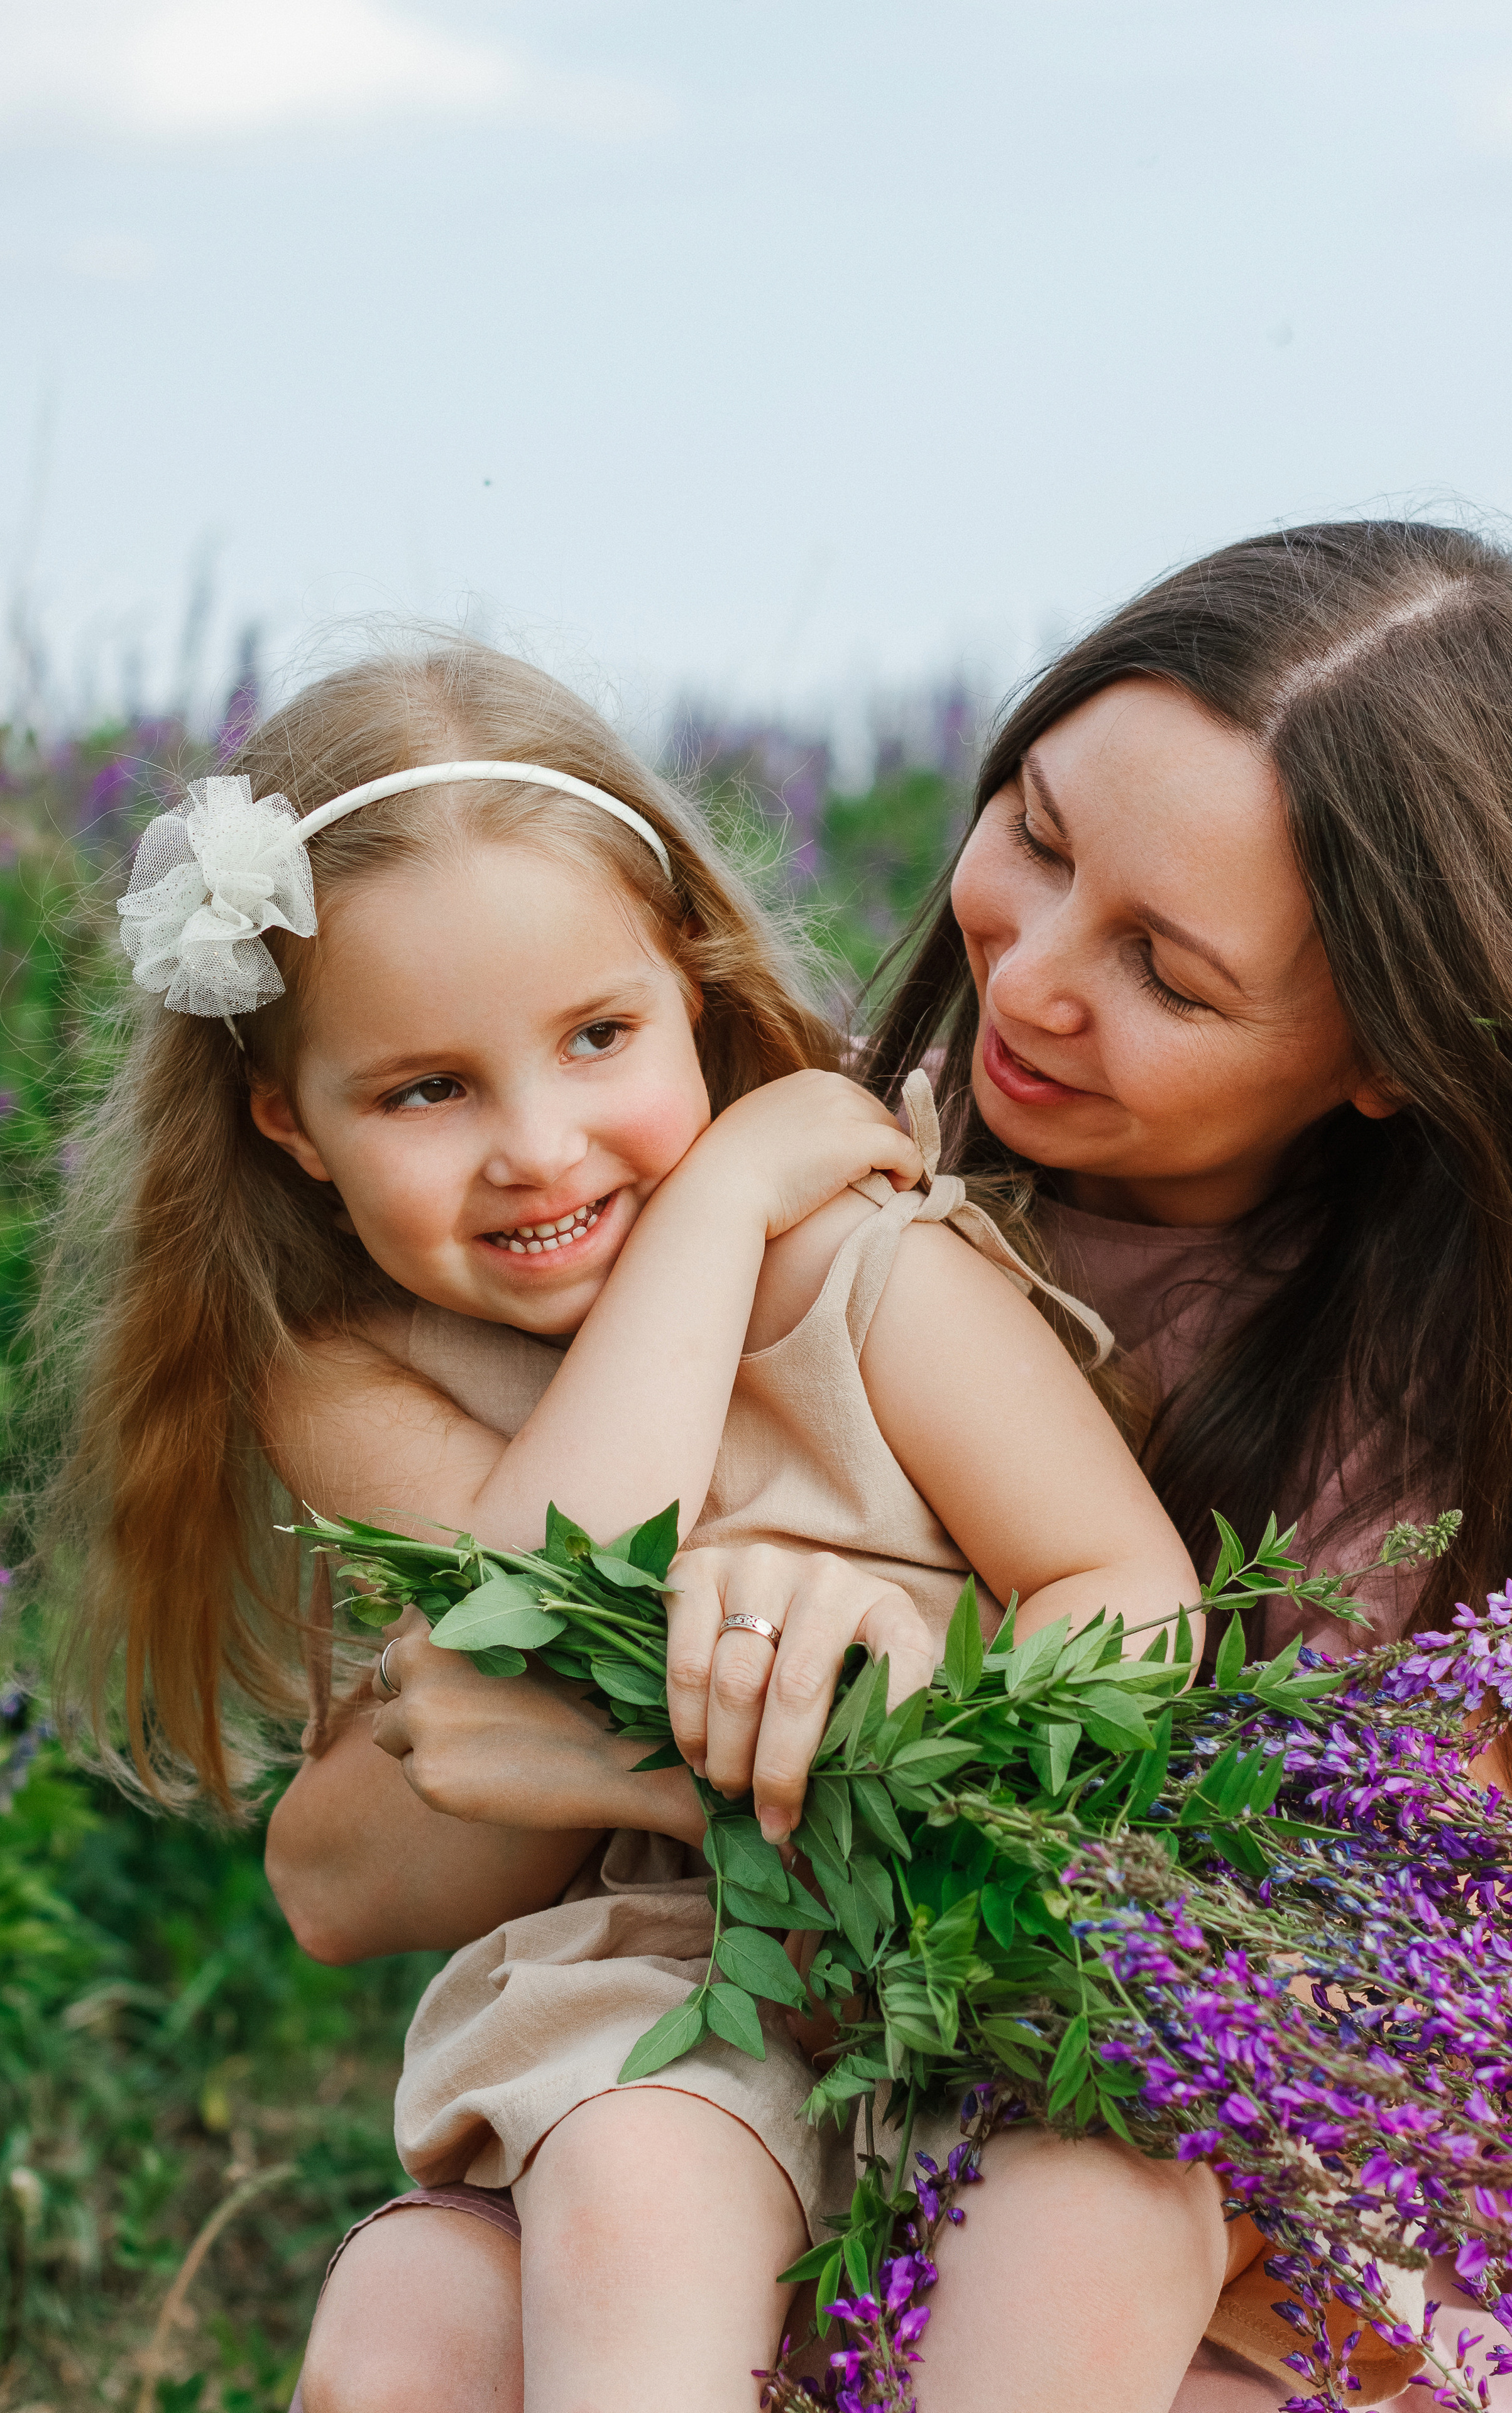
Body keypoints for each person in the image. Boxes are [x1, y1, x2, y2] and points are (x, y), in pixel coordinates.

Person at [270, 521, 1512, 2412]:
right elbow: (346, 1861)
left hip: (1227, 2193)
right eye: (1034, 833)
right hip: (778, 2088)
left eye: (1168, 975)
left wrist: (699, 1751)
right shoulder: (759, 1178)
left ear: (1381, 1054)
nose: (1026, 986)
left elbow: (1300, 1979)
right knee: (418, 2328)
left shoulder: (1445, 1438)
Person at [39, 635, 1227, 2413]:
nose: (539, 1147)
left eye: (598, 1038)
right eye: (426, 1089)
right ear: (292, 1126)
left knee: (1103, 2217)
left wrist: (958, 1725)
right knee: (634, 2174)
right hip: (668, 1986)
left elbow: (1133, 1594)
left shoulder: (868, 1271)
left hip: (990, 1931)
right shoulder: (353, 1376)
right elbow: (545, 1591)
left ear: (690, 994)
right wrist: (718, 1199)